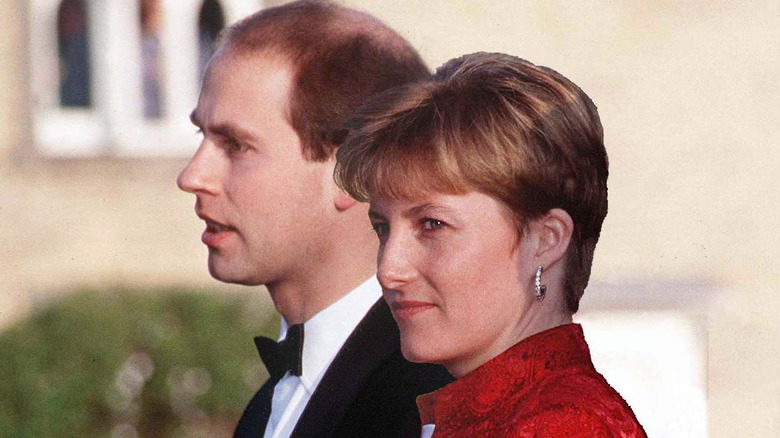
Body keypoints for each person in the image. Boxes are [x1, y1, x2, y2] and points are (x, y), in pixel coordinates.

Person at [335, 52, 648, 437]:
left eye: (432, 224)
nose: (389, 269)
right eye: (382, 228)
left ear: (546, 239)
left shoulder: (561, 423)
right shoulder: (505, 414)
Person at [176, 1, 452, 437]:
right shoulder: (268, 405)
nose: (192, 176)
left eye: (235, 145)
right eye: (201, 134)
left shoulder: (430, 405)